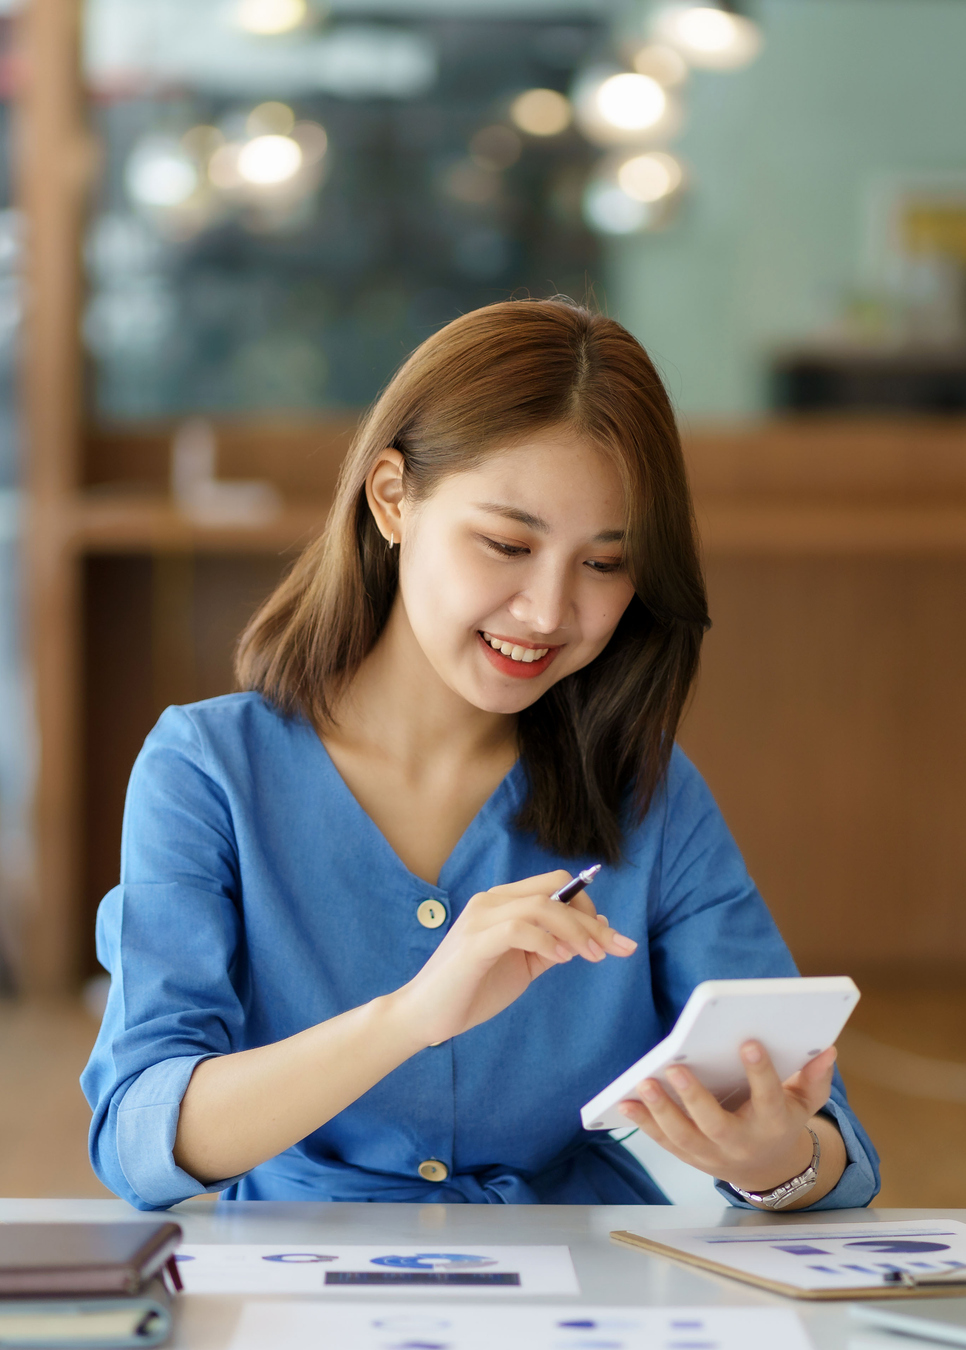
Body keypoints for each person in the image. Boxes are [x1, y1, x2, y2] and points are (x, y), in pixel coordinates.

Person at [82, 298, 880, 1209]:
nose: (547, 612)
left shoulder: (646, 789)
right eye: (507, 544)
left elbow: (832, 1153)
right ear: (392, 499)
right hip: (302, 1305)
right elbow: (138, 1139)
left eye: (604, 564)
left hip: (587, 1302)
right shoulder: (210, 770)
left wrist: (773, 1162)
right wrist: (413, 1016)